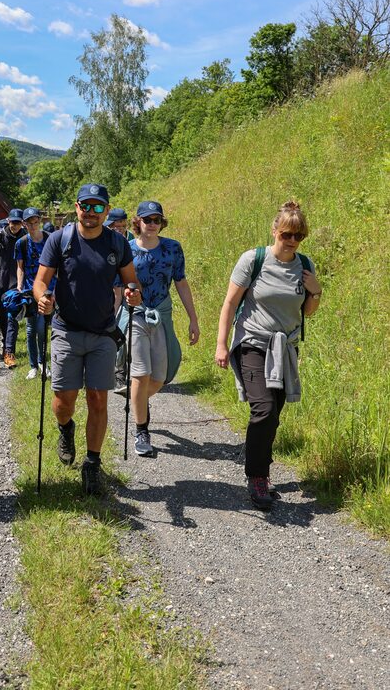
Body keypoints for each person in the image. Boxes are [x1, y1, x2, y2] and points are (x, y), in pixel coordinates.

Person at [34, 183, 142, 495]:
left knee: (98, 398)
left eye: (98, 207)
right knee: (63, 401)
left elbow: (130, 280)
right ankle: (65, 428)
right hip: (66, 330)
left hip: (103, 333)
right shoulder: (60, 239)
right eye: (86, 206)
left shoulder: (116, 243)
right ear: (77, 206)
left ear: (107, 210)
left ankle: (92, 464)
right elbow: (41, 281)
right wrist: (43, 298)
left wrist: (133, 293)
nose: (91, 212)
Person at [215, 200, 322, 510]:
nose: (291, 241)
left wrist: (316, 291)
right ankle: (257, 477)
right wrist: (222, 345)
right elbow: (230, 304)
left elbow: (307, 313)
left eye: (298, 236)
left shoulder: (305, 265)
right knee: (263, 409)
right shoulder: (254, 259)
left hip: (284, 348)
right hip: (252, 342)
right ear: (275, 230)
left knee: (273, 413)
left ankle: (261, 466)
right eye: (286, 234)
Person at [119, 200, 200, 457]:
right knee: (141, 375)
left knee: (159, 378)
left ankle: (136, 398)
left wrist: (193, 319)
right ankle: (141, 429)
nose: (152, 225)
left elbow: (181, 283)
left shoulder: (172, 248)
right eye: (147, 220)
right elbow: (116, 287)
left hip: (162, 314)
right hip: (136, 314)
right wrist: (111, 318)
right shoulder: (126, 249)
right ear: (138, 223)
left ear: (161, 223)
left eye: (156, 220)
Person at [15, 208, 55, 379]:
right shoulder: (21, 243)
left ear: (39, 220)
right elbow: (20, 267)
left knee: (43, 327)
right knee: (32, 329)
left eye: (35, 221)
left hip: (49, 288)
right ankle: (34, 366)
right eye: (29, 222)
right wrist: (19, 286)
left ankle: (43, 362)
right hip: (30, 290)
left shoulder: (49, 239)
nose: (32, 225)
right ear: (24, 223)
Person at [0, 208, 25, 367]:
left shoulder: (25, 237)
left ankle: (9, 351)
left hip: (16, 284)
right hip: (1, 282)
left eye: (18, 223)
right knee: (4, 318)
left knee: (12, 318)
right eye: (12, 222)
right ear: (8, 221)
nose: (14, 226)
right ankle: (6, 344)